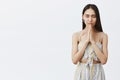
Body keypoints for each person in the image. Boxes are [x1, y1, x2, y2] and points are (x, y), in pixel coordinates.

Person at [71, 4, 108, 80]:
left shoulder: (103, 36)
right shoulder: (76, 35)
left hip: (98, 73)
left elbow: (104, 60)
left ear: (97, 18)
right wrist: (86, 42)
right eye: (87, 16)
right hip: (82, 73)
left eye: (93, 16)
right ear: (83, 17)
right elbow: (74, 60)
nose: (90, 19)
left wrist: (93, 42)